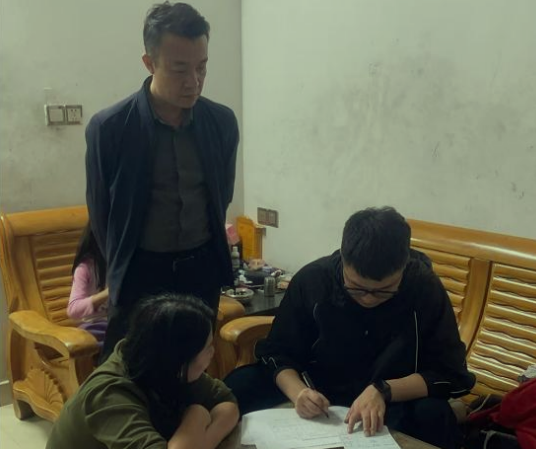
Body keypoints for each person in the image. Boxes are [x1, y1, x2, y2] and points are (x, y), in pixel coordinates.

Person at [224, 207, 476, 449]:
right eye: (356, 288)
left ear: (403, 266)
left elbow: (449, 372)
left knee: (433, 414)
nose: (368, 298)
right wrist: (299, 392)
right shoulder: (314, 280)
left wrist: (384, 390)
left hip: (393, 398)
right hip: (320, 390)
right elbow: (278, 352)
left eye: (383, 291)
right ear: (344, 258)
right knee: (240, 384)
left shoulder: (423, 288)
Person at [85, 2, 239, 361]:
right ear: (149, 63)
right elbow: (102, 215)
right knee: (131, 372)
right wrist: (126, 264)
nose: (193, 81)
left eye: (202, 67)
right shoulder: (110, 128)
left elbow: (222, 193)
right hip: (140, 273)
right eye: (179, 69)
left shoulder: (222, 122)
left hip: (201, 270)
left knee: (193, 366)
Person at [47, 293, 239, 449]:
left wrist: (202, 439)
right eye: (207, 348)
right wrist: (197, 416)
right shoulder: (110, 394)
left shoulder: (160, 366)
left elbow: (226, 402)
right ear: (179, 359)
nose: (213, 353)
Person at [67, 223, 108, 346]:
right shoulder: (85, 268)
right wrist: (108, 293)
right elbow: (73, 310)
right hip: (96, 326)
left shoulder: (125, 264)